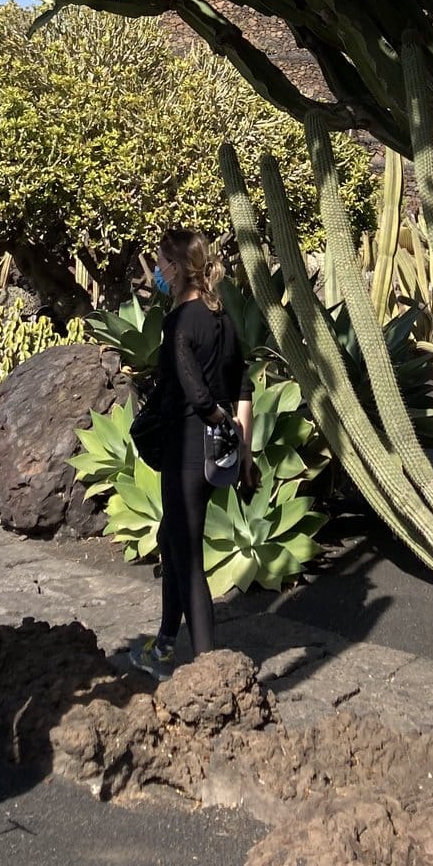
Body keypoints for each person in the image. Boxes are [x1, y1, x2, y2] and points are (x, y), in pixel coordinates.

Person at [128, 228, 255, 678]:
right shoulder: (222, 317)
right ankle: (165, 643)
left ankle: (208, 670)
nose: (158, 273)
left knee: (188, 557)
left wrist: (215, 419)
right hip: (216, 456)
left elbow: (194, 394)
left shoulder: (179, 322)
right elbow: (243, 384)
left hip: (187, 449)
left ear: (177, 268)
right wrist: (245, 449)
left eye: (161, 264)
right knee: (171, 539)